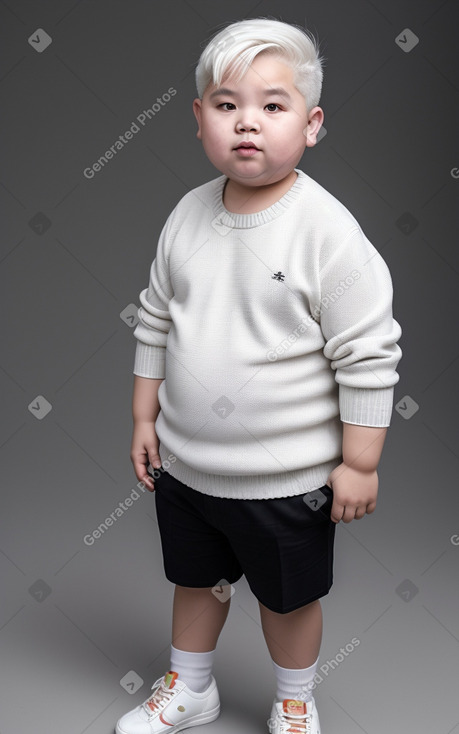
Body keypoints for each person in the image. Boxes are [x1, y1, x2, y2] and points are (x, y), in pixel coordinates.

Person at [116, 16, 402, 734]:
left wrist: (359, 462)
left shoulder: (324, 231)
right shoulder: (186, 217)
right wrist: (144, 417)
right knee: (195, 583)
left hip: (287, 481)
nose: (248, 122)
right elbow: (155, 318)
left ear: (309, 125)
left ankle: (295, 699)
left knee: (288, 600)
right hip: (189, 469)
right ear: (198, 119)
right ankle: (192, 687)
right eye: (226, 104)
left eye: (272, 107)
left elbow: (366, 351)